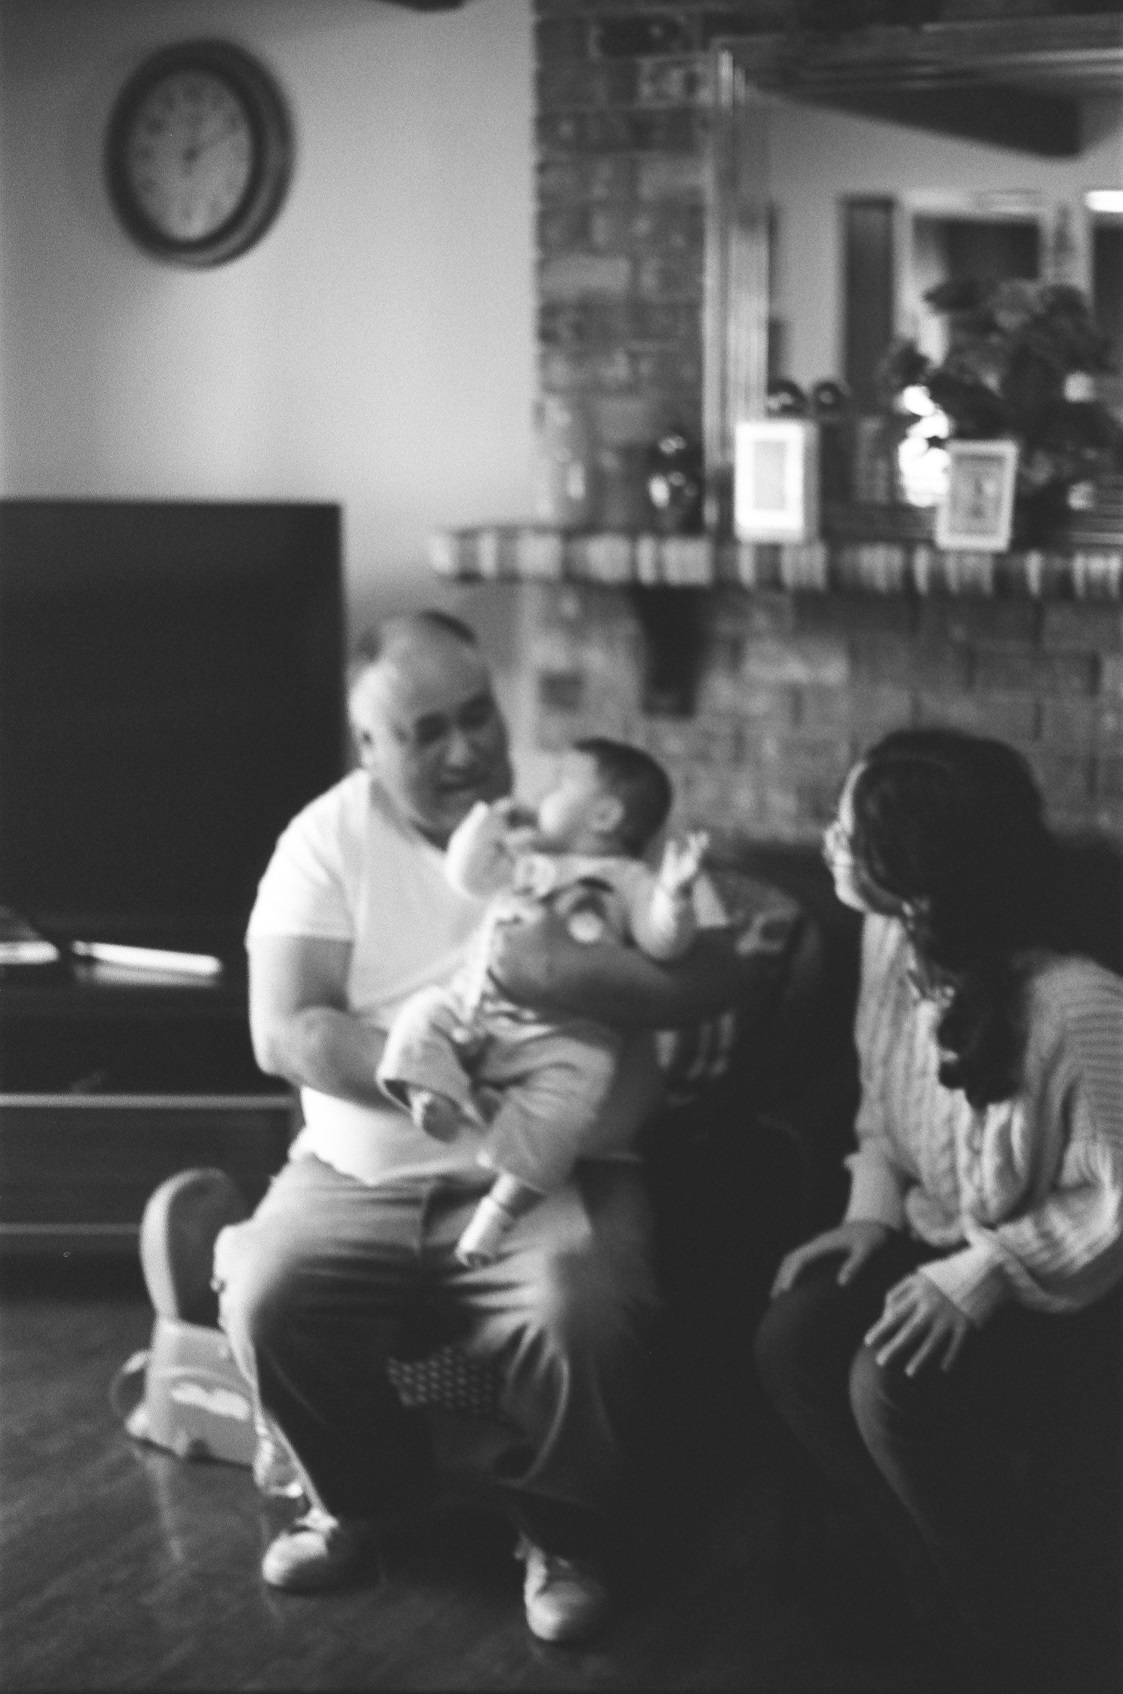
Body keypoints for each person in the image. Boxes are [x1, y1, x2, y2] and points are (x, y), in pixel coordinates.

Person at [211, 610, 741, 1642]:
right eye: (425, 731)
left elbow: (713, 969)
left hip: (558, 1168)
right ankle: (362, 1501)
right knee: (269, 1292)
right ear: (368, 745)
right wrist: (444, 1083)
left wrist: (566, 977)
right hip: (360, 1167)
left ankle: (563, 1532)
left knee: (579, 1303)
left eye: (476, 717)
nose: (466, 750)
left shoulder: (576, 811)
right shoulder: (327, 838)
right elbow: (287, 1027)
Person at [754, 727, 1123, 1686]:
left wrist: (986, 1272)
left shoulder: (1075, 1009)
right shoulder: (894, 942)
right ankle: (933, 1574)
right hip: (930, 1234)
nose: (826, 840)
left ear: (919, 877)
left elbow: (1116, 1198)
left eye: (847, 830)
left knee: (890, 1386)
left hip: (1064, 1282)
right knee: (792, 1340)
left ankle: (1015, 1640)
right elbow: (885, 1105)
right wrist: (869, 1212)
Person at [377, 737, 716, 1265]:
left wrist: (675, 896)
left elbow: (663, 942)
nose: (541, 795)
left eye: (560, 785)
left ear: (603, 814)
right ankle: (431, 1095)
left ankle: (498, 1215)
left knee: (558, 1122)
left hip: (568, 1040)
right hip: (478, 1008)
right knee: (422, 1016)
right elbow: (466, 877)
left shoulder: (631, 880)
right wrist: (486, 822)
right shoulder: (531, 861)